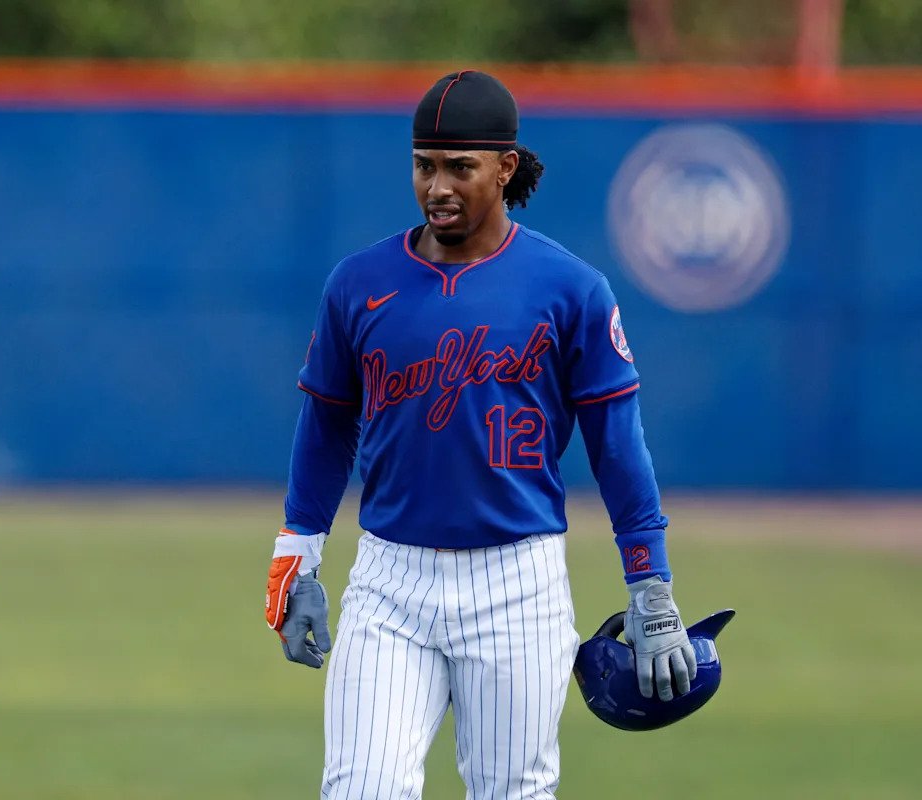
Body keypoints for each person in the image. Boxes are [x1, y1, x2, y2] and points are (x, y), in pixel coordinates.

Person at [263, 69, 697, 800]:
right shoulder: (358, 282)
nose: (437, 186)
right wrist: (296, 554)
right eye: (424, 165)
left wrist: (650, 581)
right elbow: (327, 424)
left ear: (505, 167)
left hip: (517, 583)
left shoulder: (570, 288)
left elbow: (618, 447)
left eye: (459, 167)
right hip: (390, 582)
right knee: (360, 789)